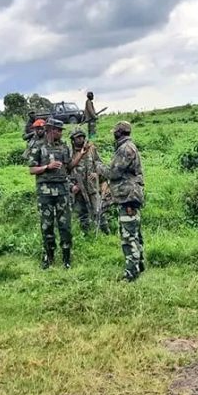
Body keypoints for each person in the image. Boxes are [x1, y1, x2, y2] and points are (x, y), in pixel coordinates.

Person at [99, 121, 146, 282]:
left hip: (128, 198)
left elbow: (113, 173)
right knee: (134, 234)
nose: (113, 134)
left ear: (119, 133)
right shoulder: (127, 146)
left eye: (115, 132)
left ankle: (131, 274)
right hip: (129, 197)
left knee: (128, 237)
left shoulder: (125, 149)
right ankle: (139, 265)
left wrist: (98, 166)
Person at [29, 118, 73, 269]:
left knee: (65, 225)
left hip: (62, 190)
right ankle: (49, 256)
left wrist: (81, 154)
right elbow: (32, 170)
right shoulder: (38, 147)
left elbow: (69, 167)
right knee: (46, 225)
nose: (60, 133)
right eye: (58, 130)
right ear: (50, 130)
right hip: (45, 192)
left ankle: (67, 258)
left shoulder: (64, 147)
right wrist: (48, 166)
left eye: (61, 130)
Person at [69, 129, 107, 234]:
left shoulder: (91, 149)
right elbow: (66, 170)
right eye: (78, 137)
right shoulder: (69, 152)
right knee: (81, 212)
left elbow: (99, 163)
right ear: (73, 140)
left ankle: (105, 232)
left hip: (92, 186)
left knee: (99, 210)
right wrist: (71, 186)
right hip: (78, 187)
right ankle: (85, 234)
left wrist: (97, 173)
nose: (81, 139)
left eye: (82, 136)